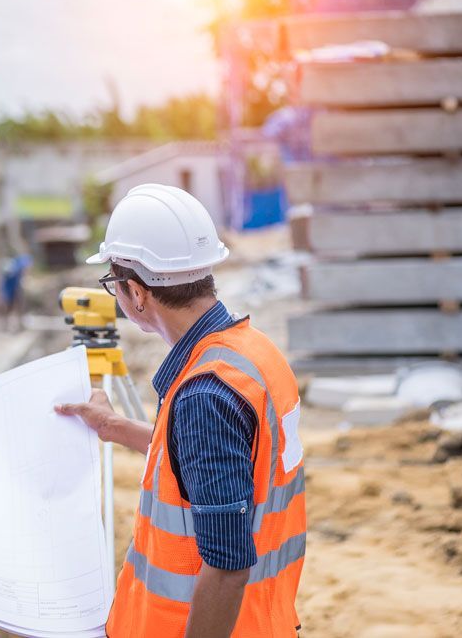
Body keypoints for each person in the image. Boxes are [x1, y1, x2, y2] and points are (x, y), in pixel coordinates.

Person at [55, 184, 305, 637]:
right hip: (265, 621)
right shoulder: (252, 354)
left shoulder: (204, 395)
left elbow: (227, 564)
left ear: (137, 292)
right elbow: (210, 465)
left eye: (114, 286)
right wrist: (115, 426)